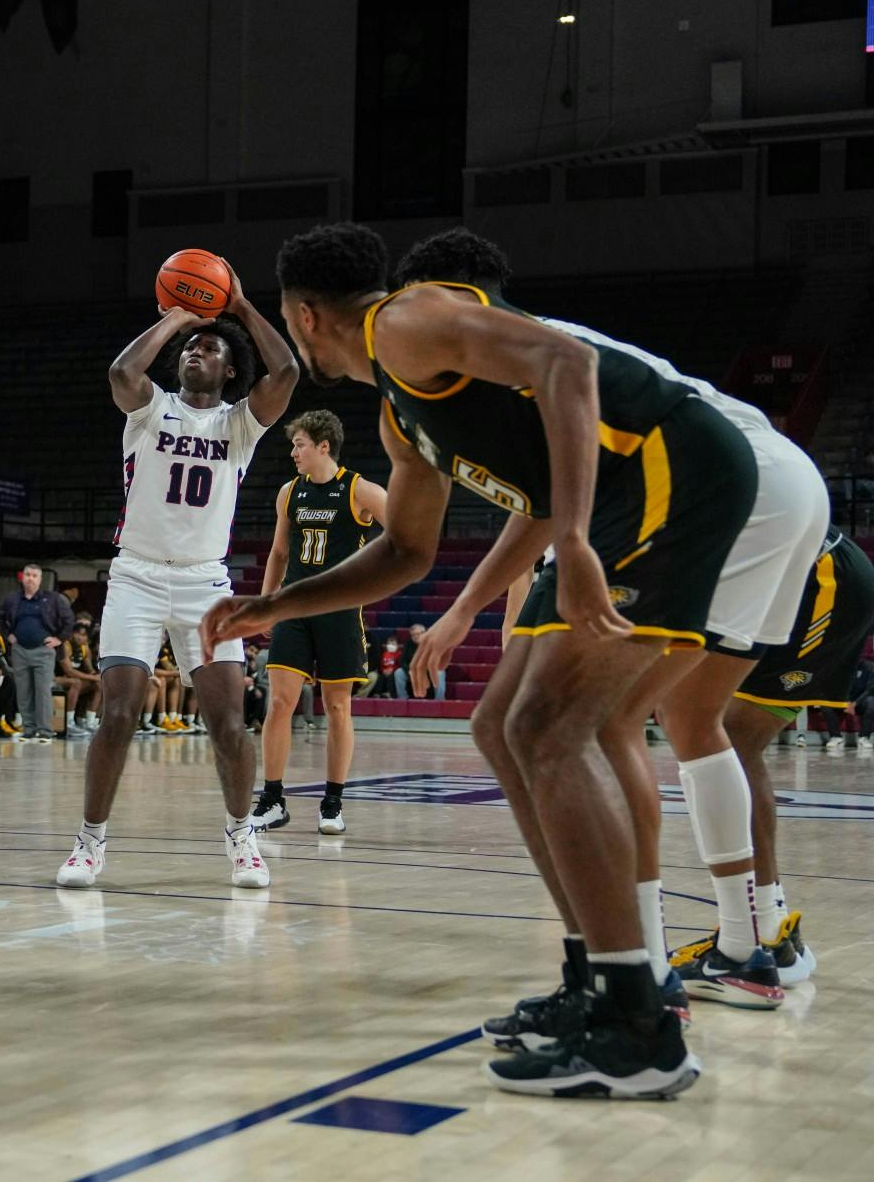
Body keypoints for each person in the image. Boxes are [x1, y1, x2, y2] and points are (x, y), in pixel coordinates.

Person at [201, 223, 785, 1100]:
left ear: (302, 314)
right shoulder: (400, 414)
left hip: (675, 467)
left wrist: (577, 535)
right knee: (502, 725)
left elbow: (567, 366)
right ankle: (601, 979)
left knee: (551, 725)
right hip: (631, 491)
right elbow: (404, 549)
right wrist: (273, 604)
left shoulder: (405, 320)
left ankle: (640, 1022)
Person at [392, 229, 829, 1040]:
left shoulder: (487, 356)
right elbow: (546, 501)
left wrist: (469, 603)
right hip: (785, 478)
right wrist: (467, 607)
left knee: (599, 722)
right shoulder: (534, 341)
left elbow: (561, 504)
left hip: (725, 479)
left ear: (437, 298)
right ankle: (738, 943)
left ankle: (642, 967)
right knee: (695, 726)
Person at [57, 279, 298, 893]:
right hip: (135, 574)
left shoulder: (239, 425)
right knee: (117, 712)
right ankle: (90, 842)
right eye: (193, 347)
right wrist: (177, 319)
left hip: (204, 585)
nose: (198, 352)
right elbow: (120, 370)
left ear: (231, 368)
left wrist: (238, 307)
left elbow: (289, 371)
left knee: (227, 723)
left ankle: (241, 835)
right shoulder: (150, 408)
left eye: (213, 348)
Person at [698, 529, 874, 990]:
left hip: (813, 574)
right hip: (782, 570)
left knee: (727, 738)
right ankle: (764, 927)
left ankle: (761, 937)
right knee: (715, 731)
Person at [250, 409, 385, 833]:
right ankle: (272, 798)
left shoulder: (359, 489)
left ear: (324, 446)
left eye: (300, 444)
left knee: (337, 707)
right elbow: (277, 554)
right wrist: (266, 603)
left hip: (340, 612)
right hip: (294, 607)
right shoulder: (290, 492)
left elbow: (407, 535)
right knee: (279, 702)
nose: (293, 452)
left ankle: (333, 802)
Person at [0, 566, 73, 740]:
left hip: (43, 650)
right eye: (28, 575)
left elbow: (69, 619)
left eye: (34, 576)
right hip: (20, 650)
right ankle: (29, 729)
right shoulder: (13, 599)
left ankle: (45, 731)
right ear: (22, 578)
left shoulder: (52, 599)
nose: (30, 579)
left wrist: (59, 639)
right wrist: (7, 634)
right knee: (24, 691)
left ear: (40, 579)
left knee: (43, 691)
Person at [59, 623, 100, 734]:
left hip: (70, 680)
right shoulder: (65, 645)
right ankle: (68, 723)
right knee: (76, 682)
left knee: (99, 685)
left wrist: (96, 675)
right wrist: (93, 678)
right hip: (54, 678)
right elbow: (69, 671)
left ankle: (90, 722)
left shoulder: (84, 648)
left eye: (84, 635)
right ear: (72, 634)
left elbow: (89, 669)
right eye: (78, 634)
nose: (80, 637)